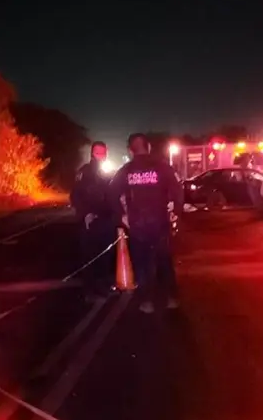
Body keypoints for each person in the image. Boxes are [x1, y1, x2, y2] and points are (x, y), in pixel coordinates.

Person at [111, 133, 183, 314]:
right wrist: (176, 212)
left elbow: (111, 193)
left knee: (142, 264)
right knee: (164, 261)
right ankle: (171, 298)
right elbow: (177, 190)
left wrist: (121, 216)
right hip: (160, 222)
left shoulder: (126, 170)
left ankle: (147, 301)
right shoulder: (162, 167)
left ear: (130, 150)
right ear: (148, 146)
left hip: (137, 225)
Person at [70, 141, 117, 301]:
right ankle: (89, 290)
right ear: (92, 153)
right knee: (89, 256)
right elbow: (75, 196)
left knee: (106, 255)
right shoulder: (84, 172)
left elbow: (113, 194)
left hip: (106, 219)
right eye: (98, 153)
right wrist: (85, 214)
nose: (101, 156)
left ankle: (103, 287)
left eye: (103, 153)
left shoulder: (109, 172)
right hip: (89, 221)